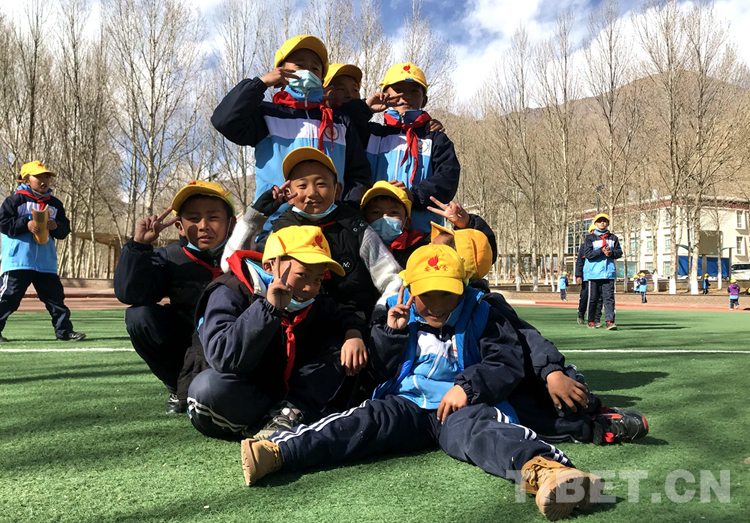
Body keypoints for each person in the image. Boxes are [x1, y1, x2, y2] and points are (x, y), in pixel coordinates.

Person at [240, 244, 605, 521]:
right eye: (426, 294)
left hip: (462, 408)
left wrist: (467, 388)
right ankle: (280, 453)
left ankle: (549, 471)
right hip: (407, 404)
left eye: (447, 292)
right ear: (410, 289)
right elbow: (378, 372)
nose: (436, 304)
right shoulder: (395, 313)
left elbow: (505, 362)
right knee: (363, 421)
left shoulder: (484, 313)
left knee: (485, 435)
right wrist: (391, 334)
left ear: (462, 288)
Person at [445, 228, 648, 447]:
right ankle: (586, 417)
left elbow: (528, 339)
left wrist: (552, 372)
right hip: (476, 390)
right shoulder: (423, 311)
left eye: (437, 250)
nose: (427, 254)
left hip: (499, 386)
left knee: (532, 407)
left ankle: (594, 421)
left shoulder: (485, 305)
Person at [187, 225, 367, 440]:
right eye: (302, 275)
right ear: (270, 266)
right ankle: (268, 423)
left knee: (339, 342)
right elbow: (224, 357)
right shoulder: (230, 291)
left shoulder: (311, 301)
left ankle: (287, 416)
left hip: (289, 399)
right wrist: (269, 308)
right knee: (208, 388)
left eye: (318, 279)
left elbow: (343, 315)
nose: (310, 287)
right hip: (247, 391)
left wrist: (353, 334)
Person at [211, 35, 372, 240]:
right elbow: (224, 120)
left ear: (322, 78)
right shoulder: (266, 115)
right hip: (276, 228)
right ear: (281, 72)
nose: (307, 72)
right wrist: (261, 83)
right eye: (299, 65)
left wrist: (345, 210)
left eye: (315, 68)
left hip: (331, 231)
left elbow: (358, 173)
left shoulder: (339, 121)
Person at [114, 181, 236, 413]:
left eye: (213, 217)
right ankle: (177, 386)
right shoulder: (170, 257)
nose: (203, 226)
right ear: (180, 226)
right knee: (139, 316)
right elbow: (130, 294)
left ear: (231, 223)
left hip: (232, 341)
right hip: (187, 340)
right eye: (193, 219)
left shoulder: (244, 255)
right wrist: (139, 247)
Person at [252, 147, 402, 322]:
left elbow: (391, 277)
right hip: (297, 323)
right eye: (302, 185)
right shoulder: (281, 230)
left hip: (356, 322)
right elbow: (234, 263)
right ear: (288, 194)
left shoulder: (356, 228)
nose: (312, 193)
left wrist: (381, 313)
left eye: (321, 184)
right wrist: (255, 216)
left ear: (337, 190)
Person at [364, 62, 460, 233]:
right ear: (384, 95)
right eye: (398, 90)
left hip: (424, 233)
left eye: (414, 91)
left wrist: (414, 195)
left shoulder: (435, 138)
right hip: (372, 232)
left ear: (424, 100)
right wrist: (365, 109)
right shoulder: (371, 134)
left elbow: (448, 179)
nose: (406, 97)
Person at [0, 160, 85, 343]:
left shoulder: (55, 204)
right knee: (8, 297)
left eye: (46, 177)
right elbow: (4, 224)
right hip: (18, 261)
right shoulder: (14, 201)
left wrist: (56, 227)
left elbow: (64, 230)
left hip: (46, 263)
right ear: (25, 180)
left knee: (56, 299)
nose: (44, 180)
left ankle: (64, 332)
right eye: (38, 177)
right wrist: (25, 223)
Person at [583, 213, 622, 331]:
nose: (602, 223)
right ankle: (591, 320)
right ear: (595, 223)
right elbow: (588, 254)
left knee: (609, 298)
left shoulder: (613, 238)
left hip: (608, 273)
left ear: (608, 223)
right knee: (593, 298)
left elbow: (619, 252)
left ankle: (610, 321)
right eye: (599, 221)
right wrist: (601, 251)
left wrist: (611, 253)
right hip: (594, 274)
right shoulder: (590, 238)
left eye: (604, 221)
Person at [575, 223, 601, 326]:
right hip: (587, 277)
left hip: (599, 276)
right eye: (593, 231)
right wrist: (578, 275)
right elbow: (579, 262)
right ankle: (581, 314)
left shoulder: (603, 245)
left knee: (599, 298)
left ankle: (596, 319)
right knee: (585, 297)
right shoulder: (584, 246)